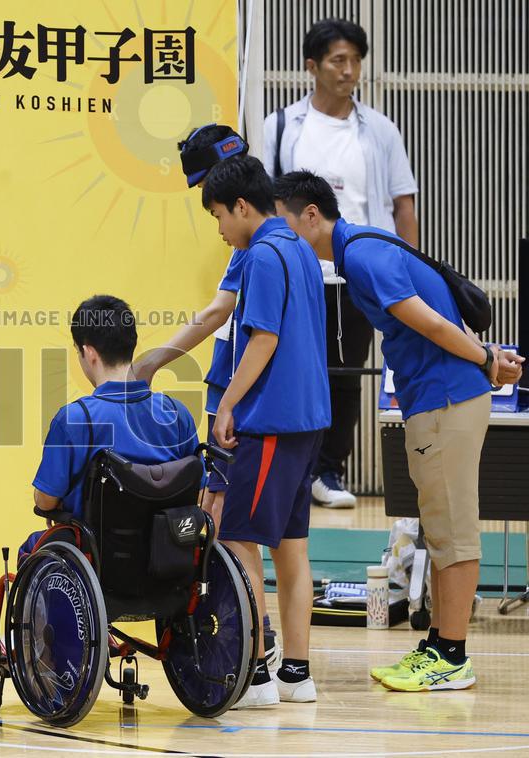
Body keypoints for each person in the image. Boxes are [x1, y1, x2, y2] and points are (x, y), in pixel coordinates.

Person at [273, 170, 524, 692]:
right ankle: (437, 645)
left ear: (312, 217)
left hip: (447, 398)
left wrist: (485, 358)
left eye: (285, 225)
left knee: (454, 531)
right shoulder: (355, 250)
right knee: (438, 528)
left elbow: (429, 320)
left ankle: (452, 657)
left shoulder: (363, 255)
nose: (282, 239)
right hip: (433, 397)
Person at [132, 122, 281, 669]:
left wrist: (155, 359)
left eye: (212, 201)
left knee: (225, 521)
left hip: (236, 392)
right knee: (236, 523)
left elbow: (221, 312)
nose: (211, 214)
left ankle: (253, 652)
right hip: (242, 389)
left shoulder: (257, 241)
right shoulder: (267, 233)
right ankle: (264, 652)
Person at [262, 18, 420, 508]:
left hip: (358, 269)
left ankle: (330, 471)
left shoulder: (380, 131)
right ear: (312, 66)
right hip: (297, 269)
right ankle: (296, 469)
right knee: (295, 367)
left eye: (355, 60)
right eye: (337, 60)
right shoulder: (282, 126)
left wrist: (406, 265)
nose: (349, 70)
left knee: (348, 372)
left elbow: (403, 204)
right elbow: (265, 201)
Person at [200, 156, 330, 708]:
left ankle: (255, 674)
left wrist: (227, 404)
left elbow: (262, 340)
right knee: (291, 550)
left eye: (218, 217)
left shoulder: (260, 255)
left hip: (270, 422)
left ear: (242, 207)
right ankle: (296, 674)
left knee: (236, 539)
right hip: (308, 423)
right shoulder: (301, 247)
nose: (220, 230)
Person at [20, 295, 200, 560]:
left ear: (89, 353)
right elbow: (197, 487)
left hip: (99, 558)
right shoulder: (176, 413)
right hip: (169, 554)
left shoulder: (74, 418)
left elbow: (45, 501)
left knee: (31, 548)